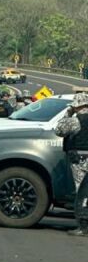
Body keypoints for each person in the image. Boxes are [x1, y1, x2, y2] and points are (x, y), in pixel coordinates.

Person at [55, 93, 88, 236]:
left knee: (82, 192)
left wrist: (67, 114)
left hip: (80, 160)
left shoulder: (76, 121)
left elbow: (59, 130)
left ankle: (83, 226)